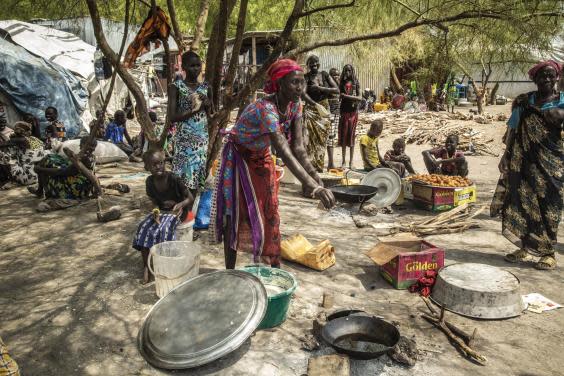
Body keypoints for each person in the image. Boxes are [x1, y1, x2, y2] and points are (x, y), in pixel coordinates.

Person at [211, 59, 335, 269]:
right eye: (294, 82)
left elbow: (298, 148)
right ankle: (229, 272)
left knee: (270, 211)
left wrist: (316, 179)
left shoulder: (296, 105)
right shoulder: (265, 109)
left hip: (261, 156)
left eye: (302, 82)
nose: (300, 88)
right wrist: (315, 188)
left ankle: (274, 269)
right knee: (237, 215)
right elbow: (284, 151)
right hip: (239, 159)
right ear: (279, 84)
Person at [491, 60, 563, 270]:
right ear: (534, 79)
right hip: (521, 161)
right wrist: (505, 156)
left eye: (551, 75)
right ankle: (524, 247)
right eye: (542, 76)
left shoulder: (562, 101)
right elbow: (513, 130)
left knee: (549, 206)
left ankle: (548, 253)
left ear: (557, 77)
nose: (547, 79)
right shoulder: (524, 102)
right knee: (521, 203)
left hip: (552, 165)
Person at [133, 149, 194, 283]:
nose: (158, 166)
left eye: (160, 163)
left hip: (178, 212)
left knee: (164, 229)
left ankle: (167, 265)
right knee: (143, 227)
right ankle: (146, 267)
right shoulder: (149, 181)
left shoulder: (173, 178)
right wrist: (155, 211)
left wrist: (181, 204)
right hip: (162, 211)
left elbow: (190, 198)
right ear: (147, 167)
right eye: (154, 165)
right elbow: (154, 201)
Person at [168, 50, 213, 194]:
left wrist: (208, 104)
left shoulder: (207, 88)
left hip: (201, 139)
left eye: (198, 65)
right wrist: (195, 109)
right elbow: (172, 117)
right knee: (182, 174)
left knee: (196, 174)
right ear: (184, 68)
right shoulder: (176, 87)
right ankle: (183, 206)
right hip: (184, 139)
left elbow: (211, 115)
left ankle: (191, 207)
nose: (196, 69)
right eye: (192, 65)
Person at [303, 55, 339, 172]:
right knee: (311, 139)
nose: (314, 66)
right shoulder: (306, 77)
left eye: (316, 63)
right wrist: (314, 104)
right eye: (311, 64)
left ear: (319, 64)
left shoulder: (324, 75)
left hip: (323, 108)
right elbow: (303, 94)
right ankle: (312, 167)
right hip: (312, 108)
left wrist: (321, 88)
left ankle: (319, 165)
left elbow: (336, 90)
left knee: (323, 138)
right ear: (308, 66)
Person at [31, 136, 97, 200]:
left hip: (74, 190)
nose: (79, 146)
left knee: (45, 164)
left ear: (83, 145)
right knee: (49, 158)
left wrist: (40, 170)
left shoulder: (84, 158)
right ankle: (41, 190)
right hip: (82, 187)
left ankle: (45, 192)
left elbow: (64, 172)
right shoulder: (91, 156)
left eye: (81, 144)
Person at [0, 122, 47, 188]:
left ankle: (13, 181)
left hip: (27, 178)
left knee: (4, 154)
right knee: (16, 151)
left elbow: (3, 144)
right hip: (39, 177)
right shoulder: (35, 138)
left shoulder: (20, 140)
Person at [338, 64, 362, 168]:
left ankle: (351, 162)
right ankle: (343, 161)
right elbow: (338, 96)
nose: (347, 73)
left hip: (353, 112)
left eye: (349, 70)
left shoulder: (356, 83)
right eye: (345, 70)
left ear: (352, 71)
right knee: (343, 137)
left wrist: (346, 96)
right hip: (344, 112)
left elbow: (360, 97)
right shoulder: (341, 83)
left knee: (352, 137)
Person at [327, 68, 341, 169]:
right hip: (330, 114)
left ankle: (331, 163)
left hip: (337, 114)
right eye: (334, 75)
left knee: (333, 137)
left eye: (337, 75)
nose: (336, 77)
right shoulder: (327, 86)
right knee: (330, 138)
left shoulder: (339, 86)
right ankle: (330, 163)